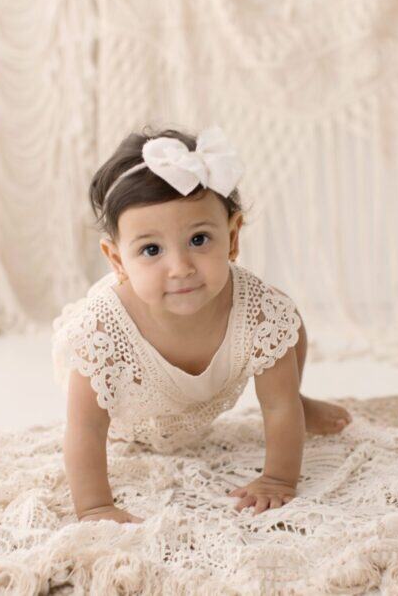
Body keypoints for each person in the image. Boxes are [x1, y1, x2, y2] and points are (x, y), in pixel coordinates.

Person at [52, 126, 352, 525]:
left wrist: (278, 478)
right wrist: (95, 507)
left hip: (231, 378)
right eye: (151, 250)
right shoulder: (101, 333)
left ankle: (294, 393)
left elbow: (275, 407)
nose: (180, 268)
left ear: (231, 237)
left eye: (198, 239)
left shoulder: (256, 309)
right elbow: (86, 429)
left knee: (285, 326)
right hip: (133, 411)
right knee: (92, 415)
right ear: (117, 260)